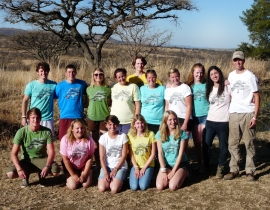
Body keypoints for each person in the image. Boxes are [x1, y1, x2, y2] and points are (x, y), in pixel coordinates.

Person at [224, 51, 260, 182]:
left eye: (240, 60)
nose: (237, 62)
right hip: (234, 112)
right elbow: (231, 92)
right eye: (235, 60)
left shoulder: (250, 76)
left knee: (249, 142)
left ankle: (250, 170)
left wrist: (255, 116)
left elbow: (256, 95)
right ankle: (234, 169)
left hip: (247, 112)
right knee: (233, 143)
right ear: (233, 61)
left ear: (243, 61)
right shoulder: (231, 75)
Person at [6, 107, 60, 188]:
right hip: (27, 160)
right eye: (33, 118)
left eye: (37, 118)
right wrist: (19, 169)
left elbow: (51, 151)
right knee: (10, 174)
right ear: (28, 119)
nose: (35, 120)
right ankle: (25, 175)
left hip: (42, 159)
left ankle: (42, 175)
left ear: (40, 119)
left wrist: (47, 166)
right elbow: (13, 153)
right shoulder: (21, 132)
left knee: (55, 171)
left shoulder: (46, 131)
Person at [202, 66, 230, 178]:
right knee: (205, 145)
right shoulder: (209, 88)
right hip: (210, 121)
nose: (214, 75)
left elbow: (238, 97)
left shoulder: (228, 86)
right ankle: (208, 165)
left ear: (220, 73)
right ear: (209, 77)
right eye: (212, 74)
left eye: (216, 73)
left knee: (223, 146)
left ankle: (221, 167)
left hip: (223, 122)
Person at [155, 110, 189, 190]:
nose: (173, 122)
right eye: (170, 120)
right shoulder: (159, 134)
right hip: (167, 165)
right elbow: (160, 153)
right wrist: (163, 170)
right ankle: (174, 174)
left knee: (172, 186)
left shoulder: (182, 133)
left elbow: (181, 154)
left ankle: (185, 172)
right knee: (160, 187)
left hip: (180, 164)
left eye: (174, 119)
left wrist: (173, 171)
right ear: (165, 121)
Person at [21, 62, 57, 134]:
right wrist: (24, 117)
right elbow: (25, 101)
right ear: (37, 72)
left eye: (46, 70)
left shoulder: (54, 85)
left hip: (47, 118)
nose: (44, 73)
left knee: (48, 141)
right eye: (41, 71)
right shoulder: (31, 85)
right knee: (32, 140)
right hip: (34, 117)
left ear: (48, 71)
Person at [186, 63, 209, 173]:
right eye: (197, 73)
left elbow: (219, 85)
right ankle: (200, 164)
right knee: (196, 142)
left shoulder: (207, 84)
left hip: (206, 115)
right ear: (193, 73)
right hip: (194, 117)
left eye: (201, 73)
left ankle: (207, 163)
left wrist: (226, 81)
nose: (199, 75)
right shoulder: (189, 86)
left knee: (204, 141)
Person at [86, 68, 111, 168]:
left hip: (104, 117)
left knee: (104, 142)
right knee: (94, 142)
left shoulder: (108, 89)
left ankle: (105, 161)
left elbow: (109, 102)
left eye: (101, 74)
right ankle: (97, 162)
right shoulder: (88, 89)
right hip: (92, 118)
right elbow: (87, 103)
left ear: (103, 76)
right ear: (93, 76)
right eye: (96, 75)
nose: (98, 76)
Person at [60, 119, 95, 190]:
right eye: (77, 128)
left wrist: (84, 174)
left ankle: (83, 174)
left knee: (86, 184)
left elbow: (90, 158)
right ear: (72, 129)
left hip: (83, 165)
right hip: (71, 165)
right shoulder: (65, 139)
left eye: (82, 128)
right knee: (73, 186)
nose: (80, 130)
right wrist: (73, 175)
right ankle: (70, 177)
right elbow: (65, 159)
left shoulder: (89, 140)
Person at [55, 64, 87, 140]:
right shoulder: (60, 86)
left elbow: (88, 94)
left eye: (73, 72)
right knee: (63, 140)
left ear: (76, 73)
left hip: (78, 116)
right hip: (65, 116)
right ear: (65, 73)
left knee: (78, 139)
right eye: (69, 72)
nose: (71, 74)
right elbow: (55, 97)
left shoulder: (82, 84)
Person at [164, 68, 192, 155]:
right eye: (172, 77)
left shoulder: (185, 88)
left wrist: (185, 123)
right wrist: (166, 120)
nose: (175, 79)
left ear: (179, 76)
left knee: (184, 144)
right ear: (169, 78)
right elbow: (167, 105)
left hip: (184, 118)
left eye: (176, 76)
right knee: (175, 143)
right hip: (172, 119)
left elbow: (189, 106)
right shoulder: (168, 90)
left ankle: (185, 164)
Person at [98, 115, 128, 194]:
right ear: (106, 125)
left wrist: (115, 169)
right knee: (102, 188)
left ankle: (121, 178)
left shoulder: (123, 136)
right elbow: (102, 157)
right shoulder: (103, 138)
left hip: (120, 166)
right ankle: (112, 179)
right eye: (110, 124)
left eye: (114, 124)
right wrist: (105, 173)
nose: (112, 127)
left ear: (117, 125)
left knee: (114, 189)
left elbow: (124, 155)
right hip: (107, 166)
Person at [127, 114, 156, 191]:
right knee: (134, 187)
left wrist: (144, 168)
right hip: (135, 165)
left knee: (143, 186)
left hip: (148, 165)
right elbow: (131, 154)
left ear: (144, 123)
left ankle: (150, 175)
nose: (140, 125)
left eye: (142, 122)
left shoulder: (150, 134)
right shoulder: (130, 135)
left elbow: (153, 154)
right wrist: (136, 168)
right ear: (134, 125)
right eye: (138, 123)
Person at [110, 68, 141, 134]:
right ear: (116, 79)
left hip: (129, 122)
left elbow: (137, 105)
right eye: (119, 77)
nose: (122, 78)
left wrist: (136, 120)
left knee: (128, 143)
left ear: (126, 75)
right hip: (114, 122)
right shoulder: (113, 88)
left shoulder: (133, 87)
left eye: (123, 76)